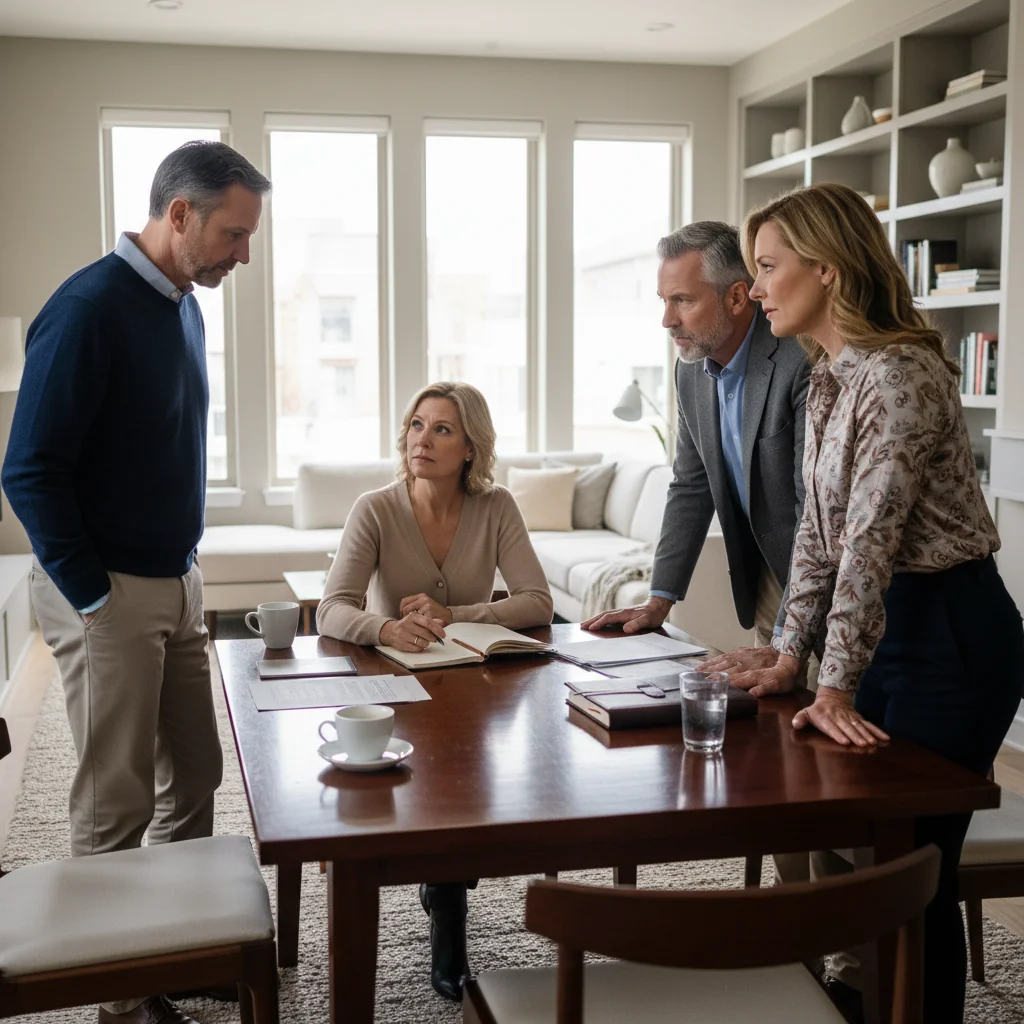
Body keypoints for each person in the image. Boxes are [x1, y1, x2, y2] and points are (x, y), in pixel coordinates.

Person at [738, 181, 1024, 1024]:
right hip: (888, 629)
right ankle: (869, 1004)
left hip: (951, 637)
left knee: (912, 872)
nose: (755, 288)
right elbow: (818, 536)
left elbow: (869, 542)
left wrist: (832, 686)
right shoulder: (828, 374)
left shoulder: (901, 375)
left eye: (768, 267)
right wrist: (791, 653)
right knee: (867, 853)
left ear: (826, 268)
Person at [2, 141, 270, 1024]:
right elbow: (29, 469)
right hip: (108, 591)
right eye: (233, 235)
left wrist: (186, 569)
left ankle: (169, 948)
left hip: (178, 579)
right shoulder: (87, 309)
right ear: (179, 214)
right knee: (112, 798)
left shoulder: (184, 307)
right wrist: (93, 595)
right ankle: (120, 997)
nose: (243, 255)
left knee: (194, 775)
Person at [581, 222, 817, 882]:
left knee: (829, 758)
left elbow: (816, 514)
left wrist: (795, 633)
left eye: (682, 300)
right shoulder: (691, 375)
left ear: (738, 296)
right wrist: (658, 599)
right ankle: (796, 913)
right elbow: (690, 486)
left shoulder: (799, 361)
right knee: (784, 752)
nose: (667, 320)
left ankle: (846, 928)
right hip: (769, 582)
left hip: (826, 574)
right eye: (664, 301)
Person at [317, 380, 553, 1001]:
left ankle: (446, 903)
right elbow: (331, 609)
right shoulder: (375, 508)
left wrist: (458, 615)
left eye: (442, 429)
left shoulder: (496, 506)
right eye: (417, 425)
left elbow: (536, 600)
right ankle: (449, 916)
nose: (422, 439)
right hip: (392, 691)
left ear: (471, 447)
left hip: (472, 687)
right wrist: (385, 627)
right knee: (441, 789)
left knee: (468, 789)